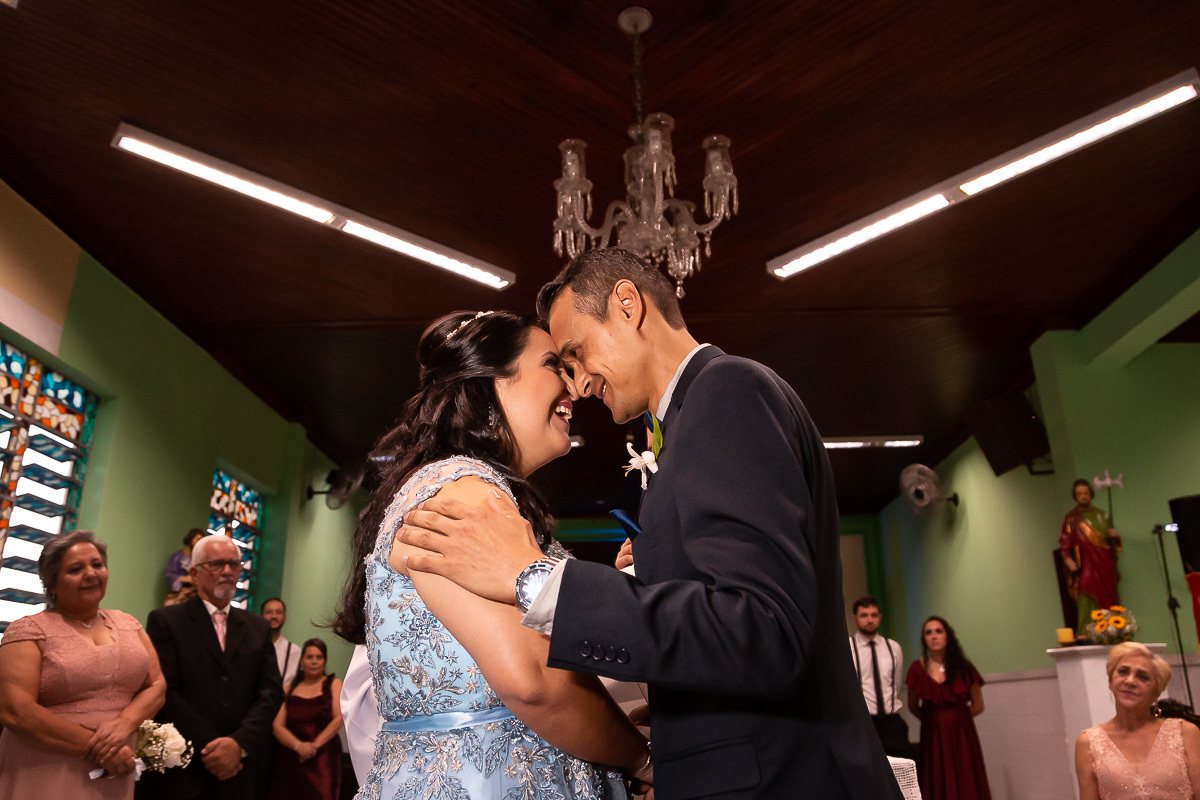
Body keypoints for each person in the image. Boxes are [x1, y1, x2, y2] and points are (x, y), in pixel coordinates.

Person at [399, 249, 903, 799]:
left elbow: (764, 628)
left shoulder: (726, 390)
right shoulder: (690, 421)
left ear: (627, 304)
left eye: (576, 352)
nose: (579, 383)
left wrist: (534, 579)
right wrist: (675, 704)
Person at [331, 310, 650, 800]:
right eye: (552, 365)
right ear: (490, 385)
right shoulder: (464, 493)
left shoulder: (455, 486)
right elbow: (533, 683)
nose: (576, 388)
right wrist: (642, 759)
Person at [0, 530, 166, 799]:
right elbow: (16, 711)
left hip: (115, 768)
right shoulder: (28, 630)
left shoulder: (128, 623)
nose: (91, 574)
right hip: (47, 765)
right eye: (76, 569)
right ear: (52, 583)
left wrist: (125, 723)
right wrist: (100, 747)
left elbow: (156, 685)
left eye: (97, 565)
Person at [137, 534, 283, 800]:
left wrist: (238, 745)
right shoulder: (166, 621)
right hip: (183, 769)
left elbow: (270, 693)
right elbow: (165, 690)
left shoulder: (257, 627)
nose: (227, 571)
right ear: (194, 573)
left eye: (234, 564)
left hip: (239, 770)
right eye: (217, 564)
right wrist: (213, 748)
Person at [1075, 641, 1200, 799]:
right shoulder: (1088, 742)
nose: (1130, 681)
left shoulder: (1186, 733)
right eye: (1123, 672)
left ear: (1157, 691)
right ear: (1110, 682)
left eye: (1142, 677)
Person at [905, 616, 991, 800]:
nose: (934, 636)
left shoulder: (964, 667)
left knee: (965, 775)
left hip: (962, 735)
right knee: (937, 776)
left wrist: (957, 720)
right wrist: (934, 721)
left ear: (948, 636)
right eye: (928, 632)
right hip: (932, 735)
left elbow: (978, 705)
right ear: (923, 639)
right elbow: (912, 706)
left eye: (938, 631)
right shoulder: (916, 668)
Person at [268, 638, 342, 800]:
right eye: (309, 657)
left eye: (319, 657)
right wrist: (299, 746)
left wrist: (313, 747)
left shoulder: (334, 684)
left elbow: (338, 719)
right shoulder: (288, 689)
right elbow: (277, 726)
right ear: (301, 660)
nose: (314, 662)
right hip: (291, 757)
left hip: (323, 757)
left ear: (324, 660)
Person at [849, 596, 915, 761]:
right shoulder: (847, 648)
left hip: (891, 721)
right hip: (863, 722)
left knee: (900, 770)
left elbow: (896, 683)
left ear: (879, 617)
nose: (869, 620)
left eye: (874, 615)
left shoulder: (893, 647)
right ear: (855, 618)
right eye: (864, 615)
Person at [1060, 479, 1122, 635]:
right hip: (1085, 563)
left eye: (1086, 493)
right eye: (1080, 494)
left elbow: (1113, 543)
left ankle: (1110, 628)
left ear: (1091, 494)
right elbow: (1065, 541)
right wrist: (1068, 559)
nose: (1083, 497)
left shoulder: (1103, 515)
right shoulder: (1071, 518)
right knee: (1086, 589)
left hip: (1104, 562)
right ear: (1075, 496)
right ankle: (1086, 630)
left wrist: (1115, 537)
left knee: (1108, 595)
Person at [261, 598, 302, 688]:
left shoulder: (294, 651)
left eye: (279, 612)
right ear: (261, 617)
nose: (274, 616)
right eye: (269, 612)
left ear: (284, 618)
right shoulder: (251, 646)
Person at [164, 528, 204, 606]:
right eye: (197, 539)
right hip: (180, 594)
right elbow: (169, 576)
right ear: (190, 539)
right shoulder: (178, 557)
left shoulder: (198, 560)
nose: (199, 542)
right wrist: (185, 579)